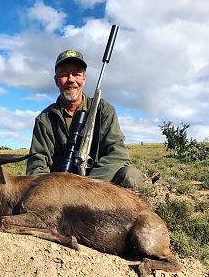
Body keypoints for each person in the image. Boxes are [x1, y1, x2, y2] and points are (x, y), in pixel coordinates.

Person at [26, 49, 147, 190]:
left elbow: (118, 155)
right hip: (61, 192)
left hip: (99, 186)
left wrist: (84, 186)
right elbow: (37, 166)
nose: (71, 80)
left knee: (130, 175)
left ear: (84, 78)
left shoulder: (103, 110)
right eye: (64, 75)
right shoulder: (44, 119)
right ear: (56, 81)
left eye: (76, 74)